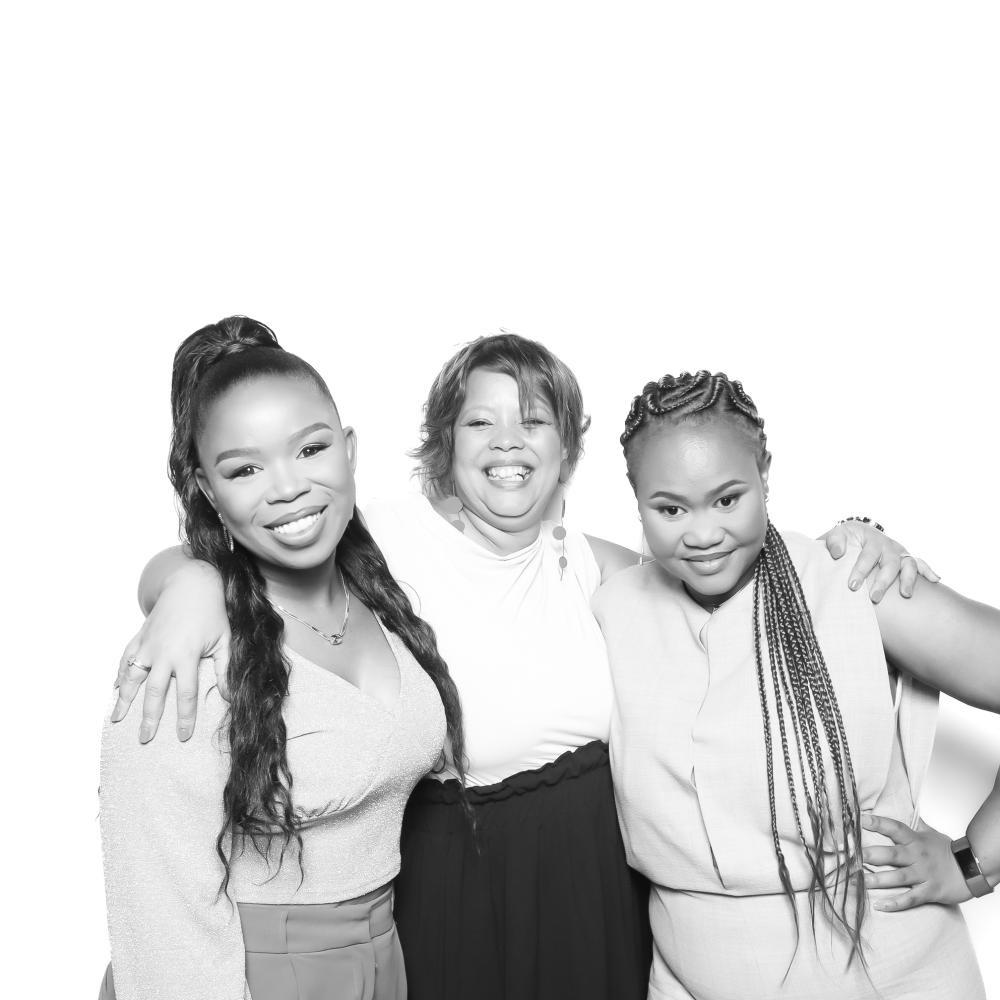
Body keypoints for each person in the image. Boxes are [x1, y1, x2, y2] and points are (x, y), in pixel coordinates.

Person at [109, 335, 924, 1000]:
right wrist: (186, 585)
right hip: (449, 865)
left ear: (566, 452)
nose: (508, 441)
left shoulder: (595, 567)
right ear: (444, 444)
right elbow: (239, 553)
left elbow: (716, 553)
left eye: (534, 420)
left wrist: (854, 538)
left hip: (588, 866)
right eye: (481, 422)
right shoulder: (379, 537)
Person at [594, 370, 1000, 999]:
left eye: (727, 499)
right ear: (636, 497)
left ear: (765, 473)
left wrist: (975, 863)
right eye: (669, 508)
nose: (702, 534)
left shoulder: (857, 583)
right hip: (688, 979)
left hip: (888, 977)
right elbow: (500, 535)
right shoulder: (614, 602)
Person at [100, 317, 466, 1000]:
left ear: (348, 450)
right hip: (254, 971)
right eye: (245, 469)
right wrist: (191, 579)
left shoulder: (378, 592)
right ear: (207, 490)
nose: (288, 487)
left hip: (384, 957)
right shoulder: (191, 652)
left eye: (311, 449)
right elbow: (161, 909)